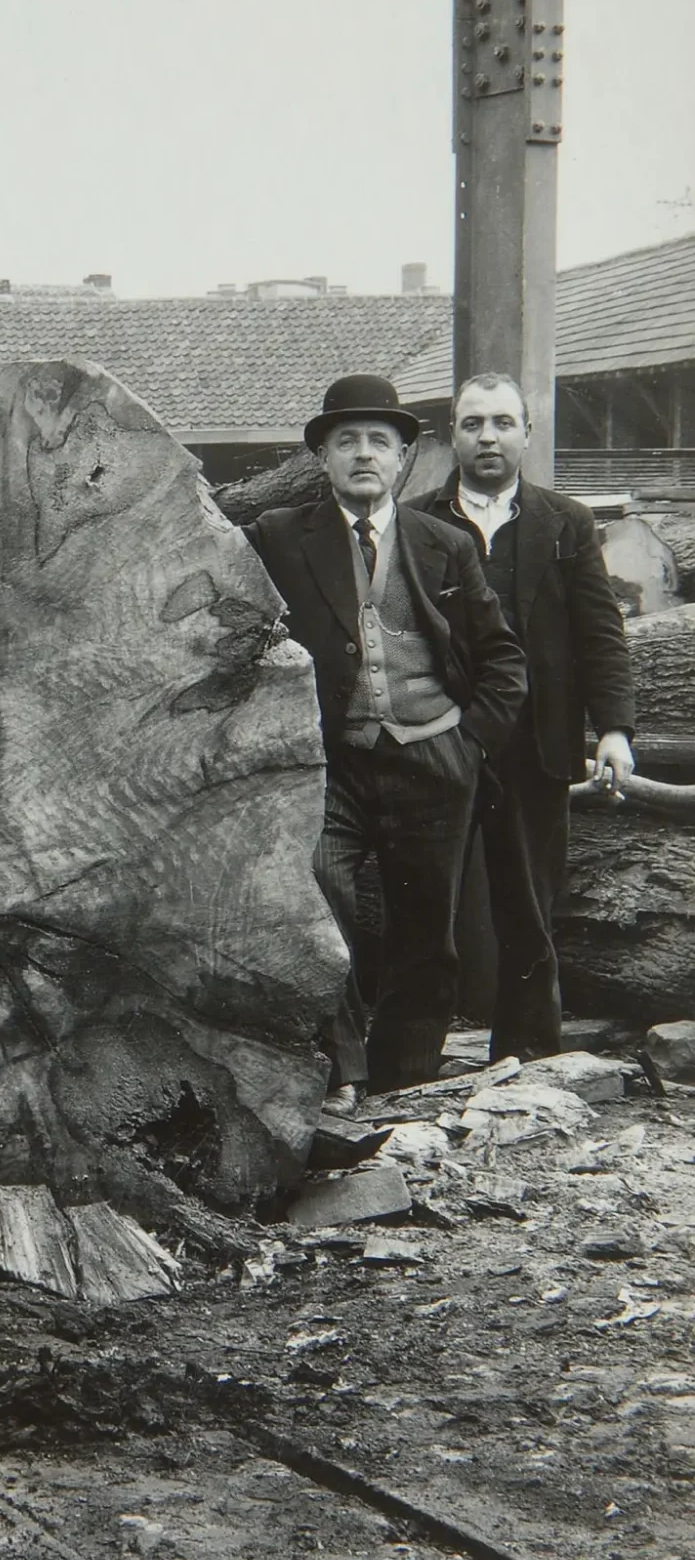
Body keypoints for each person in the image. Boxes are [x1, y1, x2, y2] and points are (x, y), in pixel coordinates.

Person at [247, 374, 528, 1103]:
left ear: (403, 457)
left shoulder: (445, 543)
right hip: (326, 762)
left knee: (426, 930)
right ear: (323, 458)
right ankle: (341, 1069)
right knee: (317, 903)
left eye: (380, 441)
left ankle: (403, 1081)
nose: (364, 454)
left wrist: (468, 743)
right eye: (347, 442)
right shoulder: (279, 535)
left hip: (433, 756)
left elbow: (501, 658)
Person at [426, 370, 635, 1063]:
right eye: (472, 424)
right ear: (452, 436)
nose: (487, 437)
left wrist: (613, 730)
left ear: (526, 432)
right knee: (426, 913)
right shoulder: (418, 521)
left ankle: (529, 1065)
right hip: (441, 744)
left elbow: (599, 633)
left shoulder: (565, 522)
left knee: (528, 910)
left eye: (502, 423)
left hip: (537, 745)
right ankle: (412, 1069)